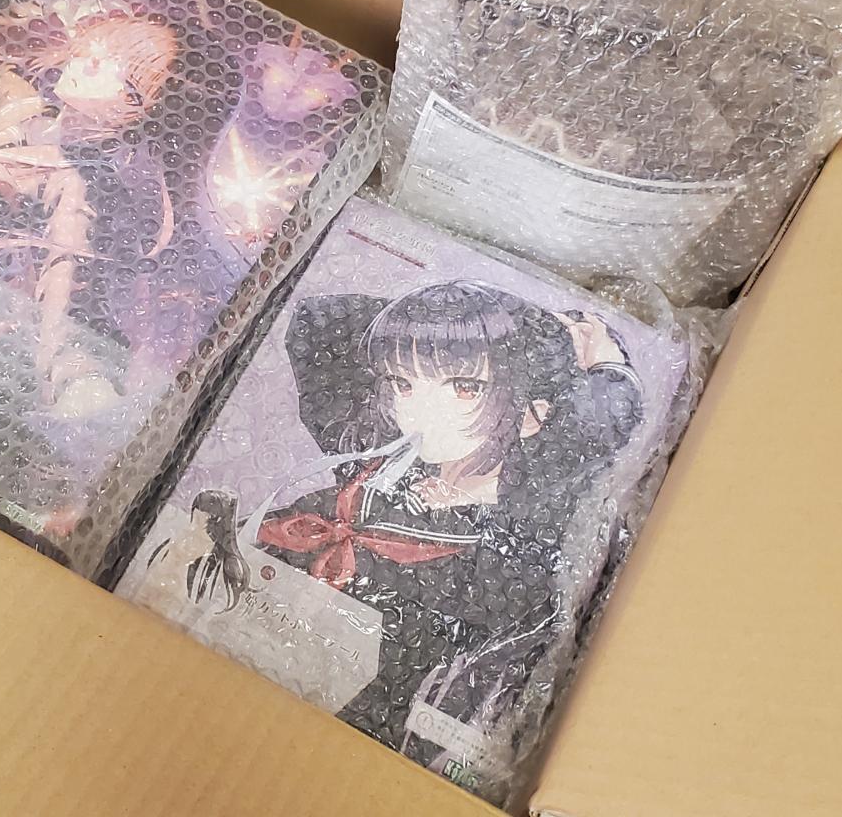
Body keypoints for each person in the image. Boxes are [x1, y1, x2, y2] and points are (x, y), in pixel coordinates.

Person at [163, 279, 644, 782]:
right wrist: (513, 323)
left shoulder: (512, 548)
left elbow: (591, 435)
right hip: (208, 649)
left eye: (464, 388)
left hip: (335, 741)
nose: (416, 408)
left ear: (532, 414)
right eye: (402, 382)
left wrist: (595, 364)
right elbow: (318, 320)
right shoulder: (376, 449)